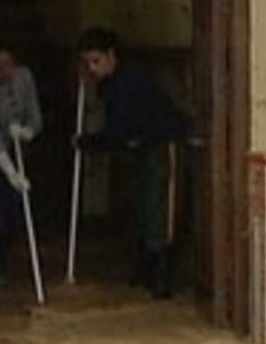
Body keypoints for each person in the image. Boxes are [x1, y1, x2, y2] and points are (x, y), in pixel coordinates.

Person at [74, 27, 187, 300]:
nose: (92, 68)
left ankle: (162, 278)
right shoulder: (111, 85)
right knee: (140, 208)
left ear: (112, 56)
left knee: (159, 212)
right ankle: (146, 271)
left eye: (96, 61)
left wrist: (91, 143)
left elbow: (120, 131)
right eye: (88, 62)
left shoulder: (132, 82)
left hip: (160, 146)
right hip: (138, 150)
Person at [0, 43, 43, 288]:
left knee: (18, 209)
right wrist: (11, 173)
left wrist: (29, 131)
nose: (5, 71)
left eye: (9, 64)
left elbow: (35, 114)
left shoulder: (24, 78)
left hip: (23, 151)